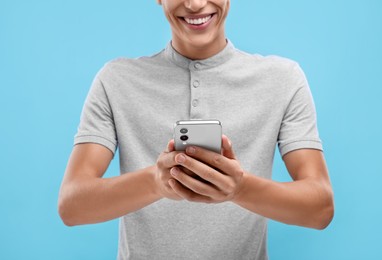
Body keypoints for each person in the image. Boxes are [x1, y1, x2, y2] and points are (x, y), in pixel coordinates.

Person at [58, 0, 334, 259]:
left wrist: (240, 189)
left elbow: (319, 209)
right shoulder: (115, 80)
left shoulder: (284, 79)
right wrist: (156, 182)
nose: (194, 4)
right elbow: (72, 206)